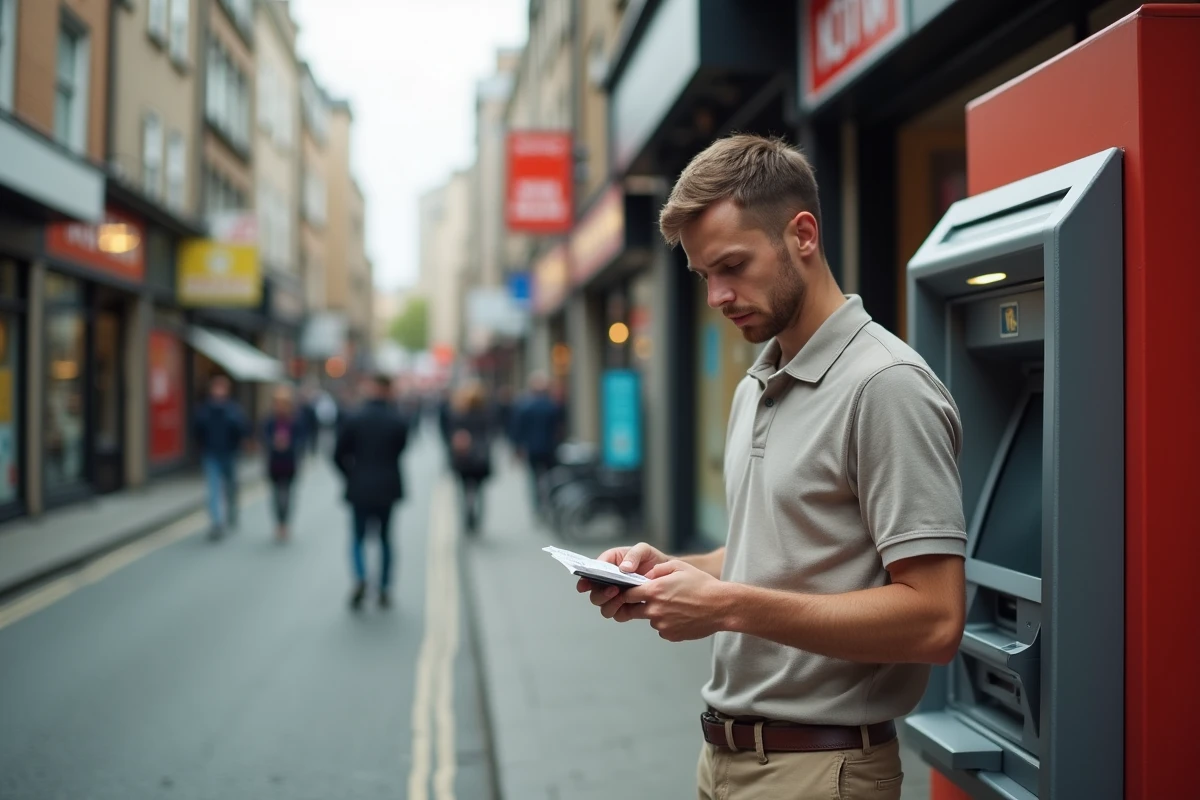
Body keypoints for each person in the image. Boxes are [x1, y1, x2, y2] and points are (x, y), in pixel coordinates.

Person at [576, 135, 967, 800]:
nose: (718, 297)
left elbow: (934, 620)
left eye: (733, 266)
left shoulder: (886, 386)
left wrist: (724, 607)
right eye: (705, 276)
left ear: (803, 235)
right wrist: (668, 572)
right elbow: (777, 554)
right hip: (726, 762)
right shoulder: (757, 382)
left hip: (823, 768)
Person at [333, 374, 409, 610]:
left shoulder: (354, 417)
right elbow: (401, 449)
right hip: (387, 486)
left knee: (358, 538)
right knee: (385, 539)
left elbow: (337, 454)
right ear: (389, 391)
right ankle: (385, 587)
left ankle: (361, 577)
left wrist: (351, 475)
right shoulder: (398, 420)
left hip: (360, 486)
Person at [191, 375, 249, 540]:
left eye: (221, 388)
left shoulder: (233, 409)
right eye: (216, 388)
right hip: (211, 454)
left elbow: (242, 429)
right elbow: (197, 430)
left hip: (230, 454)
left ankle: (232, 511)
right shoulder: (204, 410)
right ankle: (216, 523)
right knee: (213, 490)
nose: (218, 392)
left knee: (231, 487)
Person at [511, 372, 563, 517]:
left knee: (534, 479)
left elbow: (518, 430)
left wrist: (517, 448)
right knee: (551, 477)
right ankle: (550, 502)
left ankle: (538, 505)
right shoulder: (552, 406)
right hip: (549, 447)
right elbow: (559, 429)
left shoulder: (525, 407)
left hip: (532, 448)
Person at [447, 381, 493, 535]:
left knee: (465, 489)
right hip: (480, 459)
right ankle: (476, 518)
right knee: (479, 491)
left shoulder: (459, 416)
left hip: (464, 459)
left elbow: (452, 437)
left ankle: (468, 514)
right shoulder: (485, 415)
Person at [262, 385, 306, 542]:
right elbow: (264, 437)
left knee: (287, 495)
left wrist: (289, 444)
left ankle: (284, 523)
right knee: (275, 496)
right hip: (274, 464)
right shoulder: (269, 420)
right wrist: (273, 442)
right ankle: (279, 522)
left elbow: (301, 440)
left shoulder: (296, 420)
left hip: (289, 463)